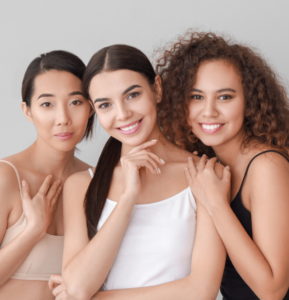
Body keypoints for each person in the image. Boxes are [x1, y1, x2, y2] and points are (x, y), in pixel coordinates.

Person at [50, 44, 227, 300]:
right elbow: (77, 287)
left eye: (132, 95)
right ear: (93, 110)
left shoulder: (206, 174)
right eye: (105, 105)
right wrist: (128, 197)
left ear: (156, 89)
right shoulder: (81, 185)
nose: (122, 114)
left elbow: (201, 290)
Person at [157, 31, 289, 300]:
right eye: (196, 97)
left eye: (225, 97)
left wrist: (216, 204)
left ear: (249, 103)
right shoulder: (204, 162)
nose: (209, 111)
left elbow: (273, 290)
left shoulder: (266, 166)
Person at [0, 50, 94, 300]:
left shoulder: (94, 181)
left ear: (91, 107)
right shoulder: (6, 178)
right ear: (28, 111)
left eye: (75, 102)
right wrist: (34, 230)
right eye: (47, 104)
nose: (63, 118)